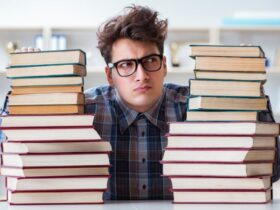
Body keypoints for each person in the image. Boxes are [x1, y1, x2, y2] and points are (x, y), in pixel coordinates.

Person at [0, 5, 278, 200]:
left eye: (150, 61)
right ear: (110, 75)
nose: (141, 75)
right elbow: (13, 152)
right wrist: (28, 89)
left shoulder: (199, 107)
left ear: (165, 65)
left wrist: (246, 88)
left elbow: (271, 170)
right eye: (126, 65)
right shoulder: (84, 111)